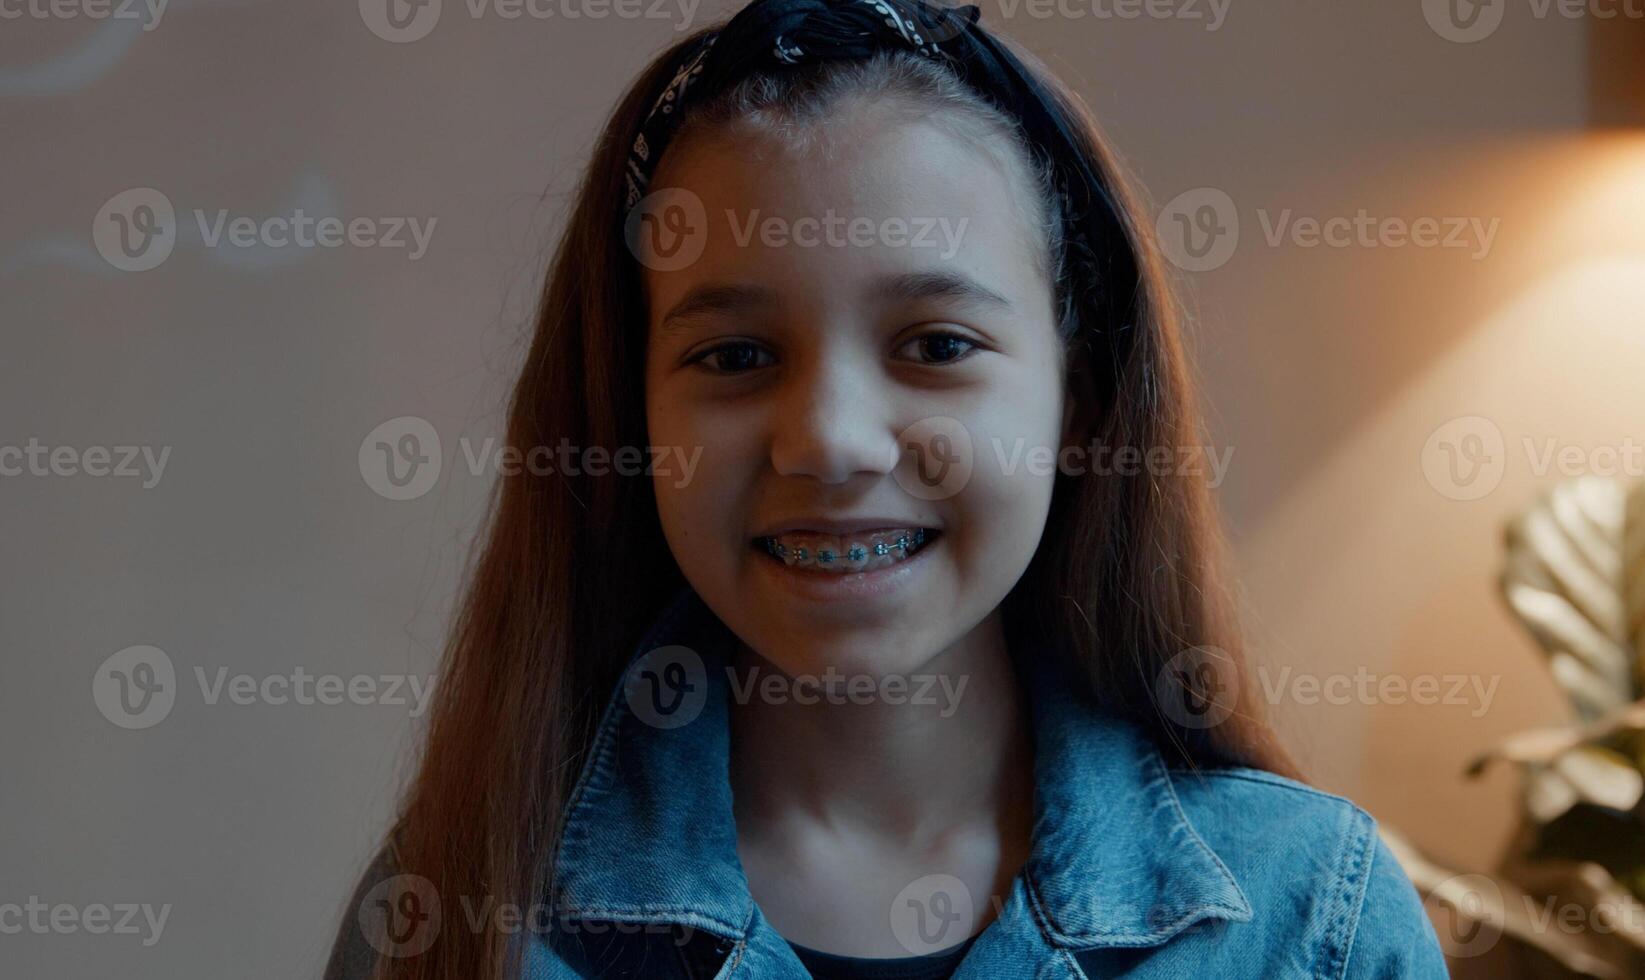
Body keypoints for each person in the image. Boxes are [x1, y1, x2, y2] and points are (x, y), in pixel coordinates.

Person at [324, 0, 1450, 976]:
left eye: (935, 343)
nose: (829, 439)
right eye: (734, 356)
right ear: (629, 422)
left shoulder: (1316, 925)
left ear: (1084, 402)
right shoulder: (455, 916)